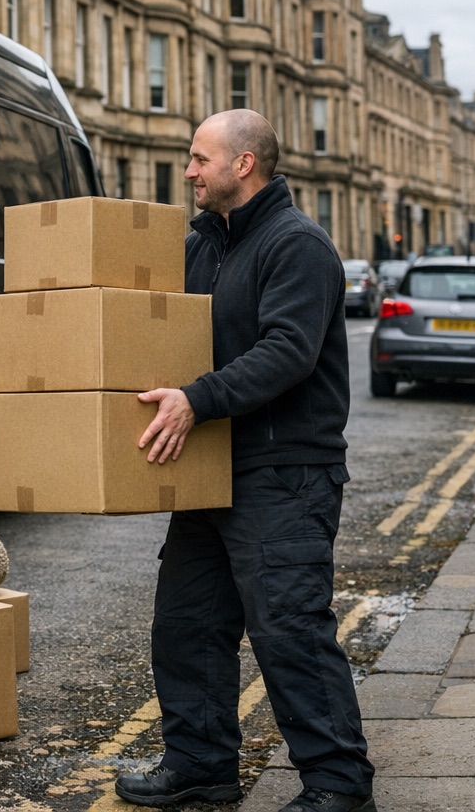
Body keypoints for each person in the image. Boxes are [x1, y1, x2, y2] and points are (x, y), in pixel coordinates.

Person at [115, 110, 375, 811]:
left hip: (285, 471)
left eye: (200, 159)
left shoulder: (297, 245)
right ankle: (201, 765)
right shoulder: (203, 246)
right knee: (188, 624)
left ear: (244, 164)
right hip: (211, 466)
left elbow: (288, 351)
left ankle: (339, 785)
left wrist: (196, 400)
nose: (189, 171)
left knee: (290, 630)